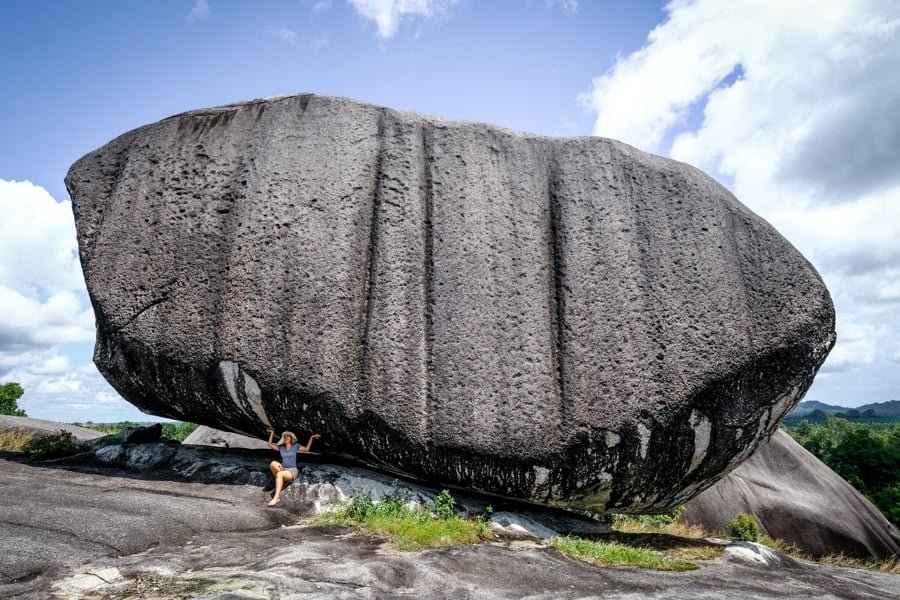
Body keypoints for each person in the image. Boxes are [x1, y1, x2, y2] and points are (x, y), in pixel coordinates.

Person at [265, 429, 321, 506]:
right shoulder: (281, 447)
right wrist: (272, 433)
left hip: (291, 470)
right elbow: (270, 444)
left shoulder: (295, 446)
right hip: (283, 468)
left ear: (291, 439)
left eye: (288, 437)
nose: (286, 438)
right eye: (284, 437)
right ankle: (282, 480)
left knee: (279, 475)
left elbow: (307, 449)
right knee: (273, 464)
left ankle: (276, 497)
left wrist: (312, 437)